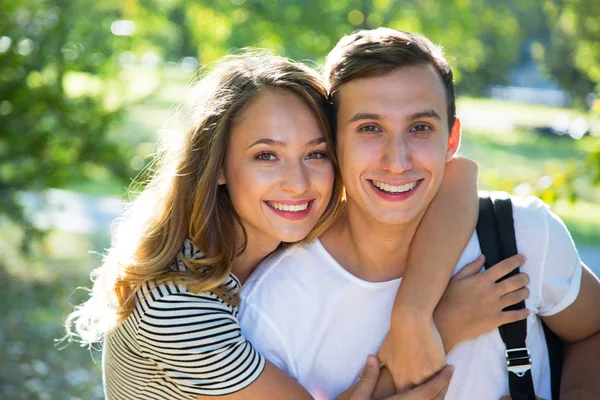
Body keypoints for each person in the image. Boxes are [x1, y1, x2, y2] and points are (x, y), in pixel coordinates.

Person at [64, 50, 523, 399]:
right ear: (218, 165)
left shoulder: (286, 236)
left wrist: (412, 314)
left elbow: (459, 175)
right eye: (267, 156)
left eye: (315, 153)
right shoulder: (176, 306)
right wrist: (444, 326)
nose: (298, 183)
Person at [238, 28, 600, 400]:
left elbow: (593, 332)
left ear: (451, 139)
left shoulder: (518, 236)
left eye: (420, 128)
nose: (397, 162)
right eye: (370, 128)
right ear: (333, 143)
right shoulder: (274, 308)